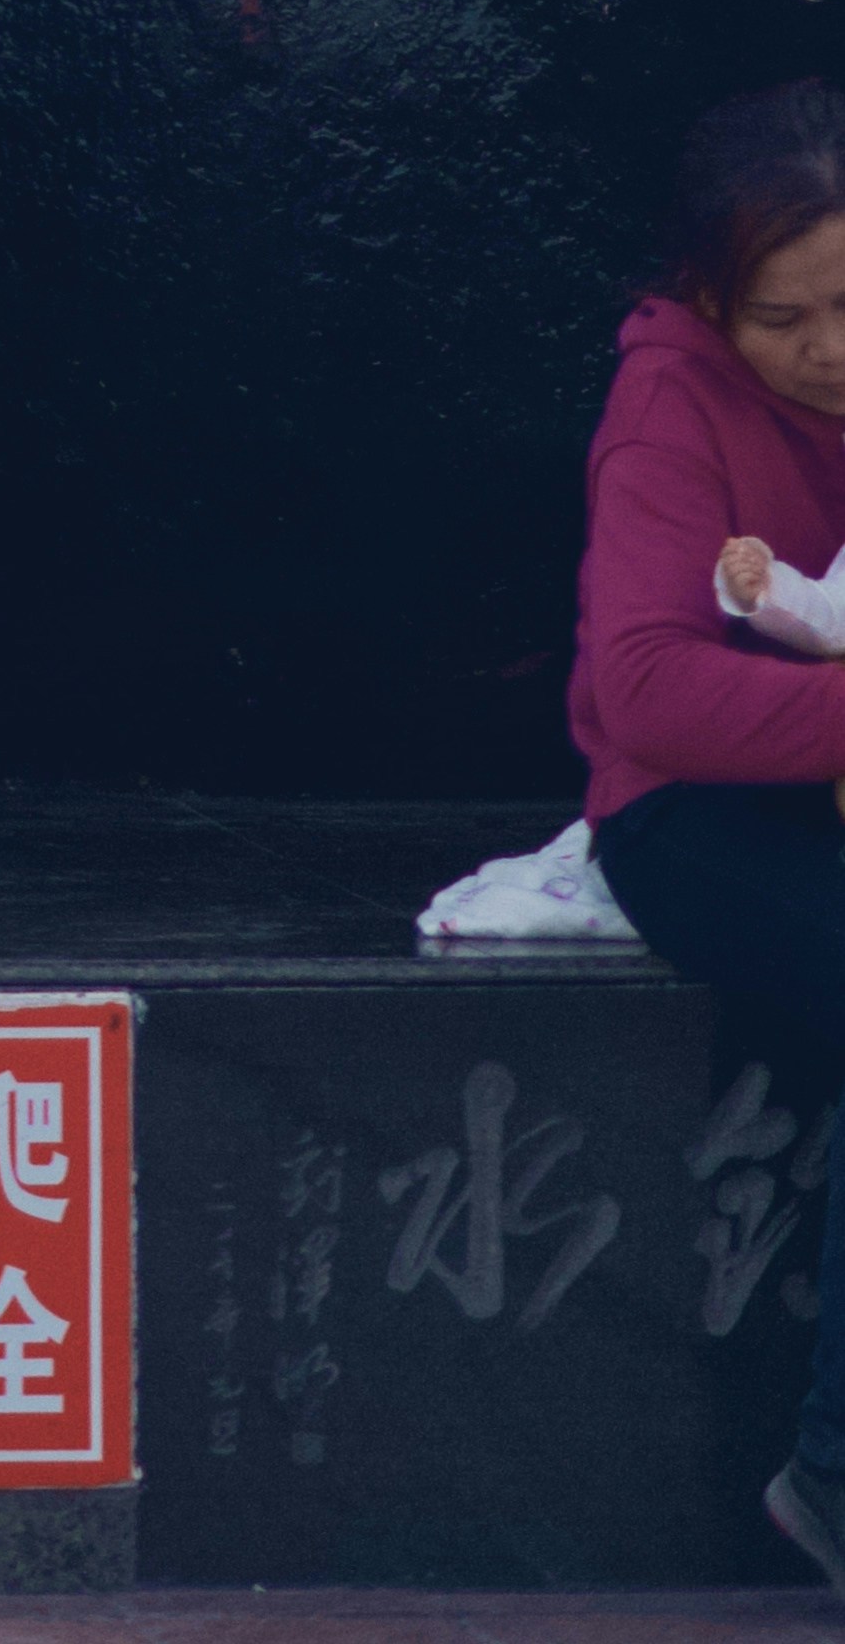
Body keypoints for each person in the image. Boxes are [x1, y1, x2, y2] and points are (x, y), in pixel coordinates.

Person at [571, 79, 845, 1591]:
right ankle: (836, 1477)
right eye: (778, 317)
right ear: (705, 299)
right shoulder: (667, 402)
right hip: (701, 818)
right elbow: (650, 692)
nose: (826, 354)